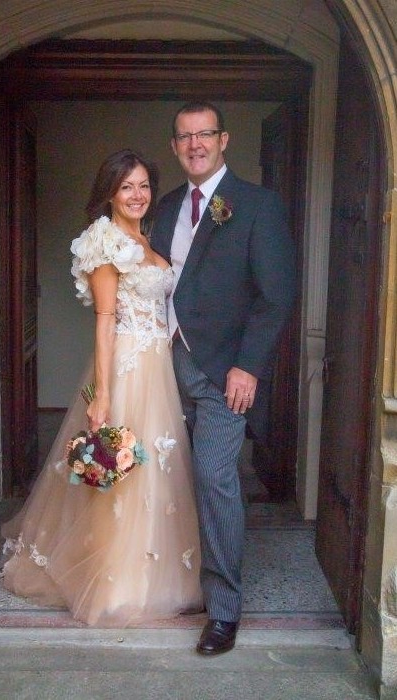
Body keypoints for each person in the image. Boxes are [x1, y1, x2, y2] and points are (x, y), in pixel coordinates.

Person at [1, 149, 203, 627]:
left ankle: (161, 574)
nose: (137, 195)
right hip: (128, 369)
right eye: (127, 186)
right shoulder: (104, 241)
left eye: (144, 186)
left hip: (160, 368)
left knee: (160, 467)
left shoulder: (147, 238)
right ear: (110, 192)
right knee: (122, 468)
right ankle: (117, 583)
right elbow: (106, 321)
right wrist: (104, 395)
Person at [150, 101, 297, 655]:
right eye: (185, 136)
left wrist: (249, 366)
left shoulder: (257, 205)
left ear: (223, 139)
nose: (195, 144)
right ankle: (172, 581)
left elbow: (275, 295)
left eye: (204, 134)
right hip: (165, 365)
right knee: (165, 476)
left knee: (214, 479)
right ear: (175, 146)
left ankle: (224, 611)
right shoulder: (165, 208)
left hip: (224, 372)